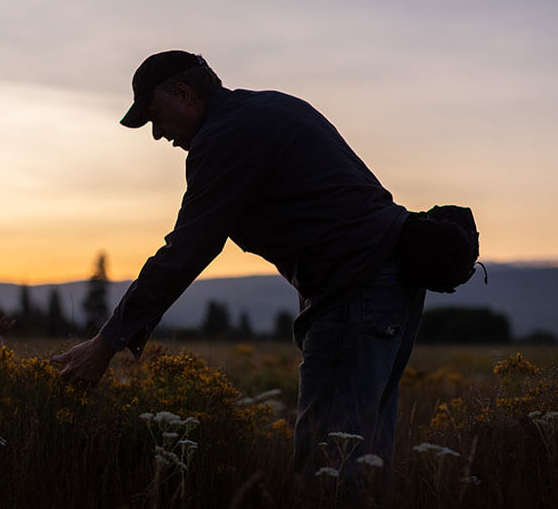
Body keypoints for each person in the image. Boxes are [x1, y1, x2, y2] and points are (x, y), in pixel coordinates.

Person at [52, 50, 426, 490]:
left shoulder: (226, 136)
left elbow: (189, 248)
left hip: (355, 292)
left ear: (186, 93)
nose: (157, 134)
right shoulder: (270, 108)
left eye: (156, 116)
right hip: (391, 283)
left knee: (331, 467)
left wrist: (107, 342)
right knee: (362, 460)